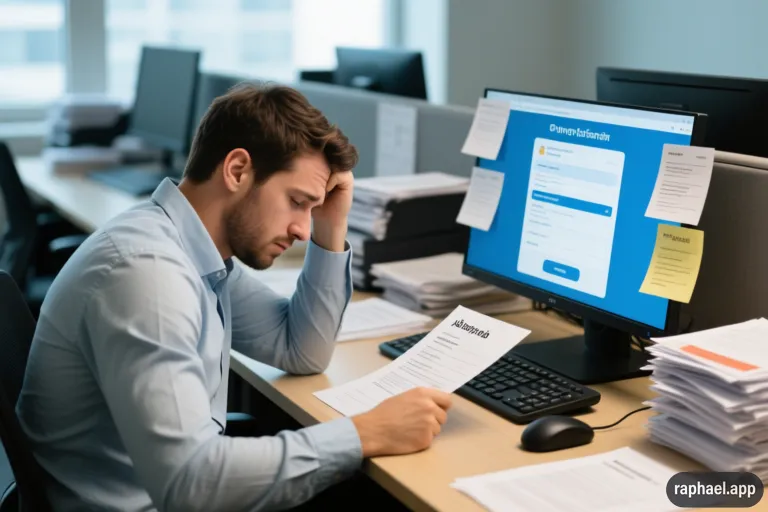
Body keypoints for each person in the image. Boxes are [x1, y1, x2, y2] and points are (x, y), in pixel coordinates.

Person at [16, 83, 453, 511]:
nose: (303, 227)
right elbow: (191, 484)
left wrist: (330, 226)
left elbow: (301, 349)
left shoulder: (197, 253)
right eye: (297, 201)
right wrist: (364, 434)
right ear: (238, 171)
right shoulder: (146, 274)